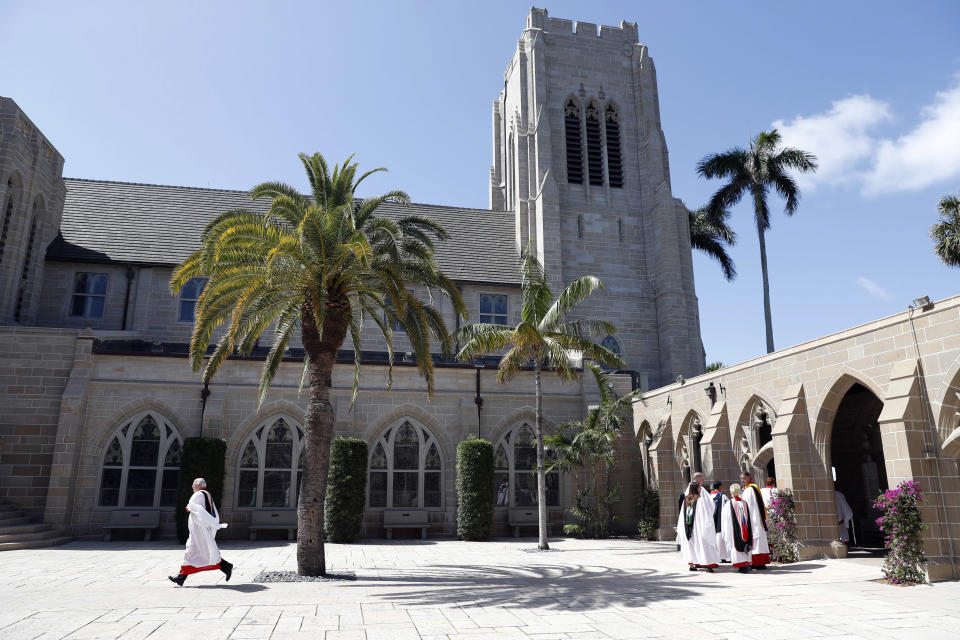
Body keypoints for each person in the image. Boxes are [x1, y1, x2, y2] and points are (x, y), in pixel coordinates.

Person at [169, 478, 232, 586]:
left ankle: (225, 566)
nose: (192, 486)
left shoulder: (198, 494)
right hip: (199, 529)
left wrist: (189, 507)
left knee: (196, 551)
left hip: (198, 530)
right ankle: (181, 577)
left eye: (194, 484)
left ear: (200, 485)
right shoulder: (207, 494)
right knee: (198, 552)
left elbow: (194, 507)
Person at [676, 482, 721, 572]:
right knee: (703, 545)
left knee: (691, 546)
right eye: (699, 487)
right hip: (699, 527)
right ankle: (707, 565)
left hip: (688, 528)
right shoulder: (700, 500)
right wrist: (707, 525)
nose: (701, 489)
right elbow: (706, 513)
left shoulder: (686, 500)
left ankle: (692, 565)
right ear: (696, 489)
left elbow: (682, 516)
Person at [739, 470, 771, 569]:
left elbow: (746, 503)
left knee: (756, 539)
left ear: (749, 477)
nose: (743, 480)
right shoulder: (750, 488)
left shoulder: (751, 489)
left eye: (744, 478)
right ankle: (760, 563)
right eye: (741, 479)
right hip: (754, 517)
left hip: (753, 517)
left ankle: (757, 562)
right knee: (758, 539)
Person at [720, 483, 753, 573]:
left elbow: (725, 518)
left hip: (734, 529)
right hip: (744, 527)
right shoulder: (744, 503)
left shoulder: (729, 504)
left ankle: (741, 565)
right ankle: (745, 564)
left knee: (736, 545)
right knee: (744, 542)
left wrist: (726, 530)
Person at [710, 481, 730, 563]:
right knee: (721, 537)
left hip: (711, 520)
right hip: (720, 519)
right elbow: (727, 507)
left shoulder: (709, 496)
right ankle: (723, 556)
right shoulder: (722, 496)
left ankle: (715, 556)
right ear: (720, 486)